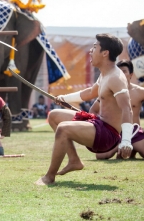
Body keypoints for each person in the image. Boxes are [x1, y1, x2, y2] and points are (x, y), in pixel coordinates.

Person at [36, 34, 134, 186]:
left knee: (63, 129)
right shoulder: (105, 74)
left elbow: (127, 109)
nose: (90, 51)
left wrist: (126, 141)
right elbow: (89, 93)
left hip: (107, 135)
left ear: (105, 53)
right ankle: (74, 161)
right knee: (54, 116)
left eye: (95, 47)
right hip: (98, 124)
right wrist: (64, 98)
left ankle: (49, 177)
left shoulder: (115, 77)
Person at [93, 60, 144, 160]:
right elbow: (93, 110)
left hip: (135, 133)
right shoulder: (109, 90)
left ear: (131, 74)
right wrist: (100, 127)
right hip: (115, 132)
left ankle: (132, 148)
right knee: (101, 156)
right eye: (118, 71)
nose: (121, 74)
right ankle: (120, 146)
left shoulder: (140, 91)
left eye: (124, 71)